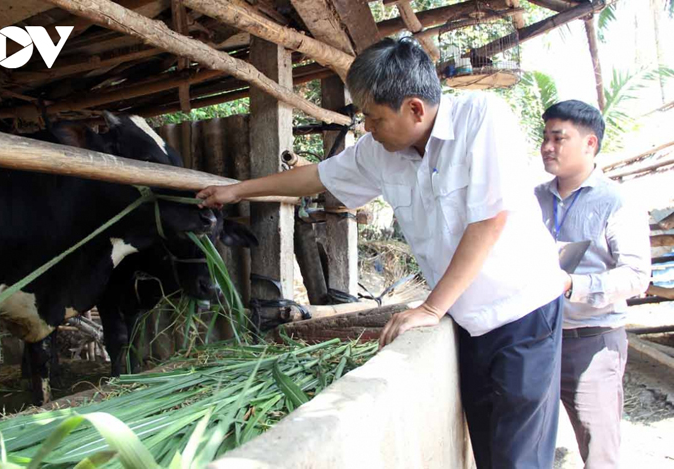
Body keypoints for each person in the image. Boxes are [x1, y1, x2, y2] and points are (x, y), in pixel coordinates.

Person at [198, 37, 568, 468]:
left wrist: (430, 309)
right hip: (467, 320)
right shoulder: (380, 152)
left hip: (522, 315)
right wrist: (237, 190)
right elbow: (314, 177)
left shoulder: (482, 118)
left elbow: (489, 221)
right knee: (489, 448)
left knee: (518, 457)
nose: (367, 128)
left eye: (374, 118)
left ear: (414, 108)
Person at [535, 100, 651, 468]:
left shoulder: (617, 201)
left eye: (559, 138)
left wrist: (574, 284)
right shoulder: (532, 198)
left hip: (592, 340)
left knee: (599, 451)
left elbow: (636, 275)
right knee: (530, 440)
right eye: (544, 137)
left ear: (590, 144)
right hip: (536, 339)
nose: (547, 147)